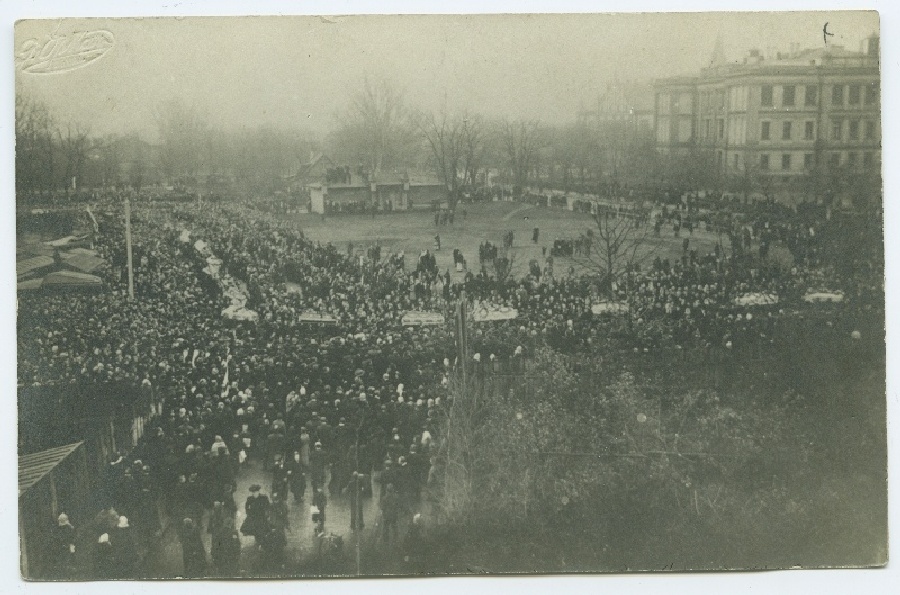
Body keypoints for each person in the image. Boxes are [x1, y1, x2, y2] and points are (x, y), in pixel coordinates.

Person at [50, 513, 76, 579]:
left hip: (64, 546)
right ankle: (65, 572)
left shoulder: (66, 528)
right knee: (65, 560)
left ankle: (66, 572)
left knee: (66, 560)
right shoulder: (67, 528)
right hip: (64, 546)